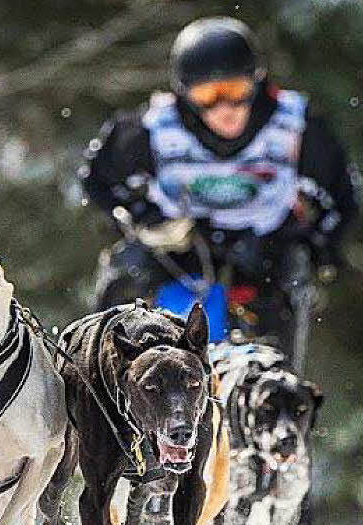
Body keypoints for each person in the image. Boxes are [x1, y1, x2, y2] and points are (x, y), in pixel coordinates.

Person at [80, 16, 357, 347]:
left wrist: (317, 247)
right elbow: (97, 178)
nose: (225, 109)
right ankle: (102, 366)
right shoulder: (151, 130)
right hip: (179, 250)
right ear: (185, 94)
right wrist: (140, 216)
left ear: (257, 83)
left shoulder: (295, 126)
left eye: (236, 91)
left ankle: (277, 384)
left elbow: (343, 193)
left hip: (263, 252)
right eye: (209, 95)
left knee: (291, 275)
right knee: (126, 268)